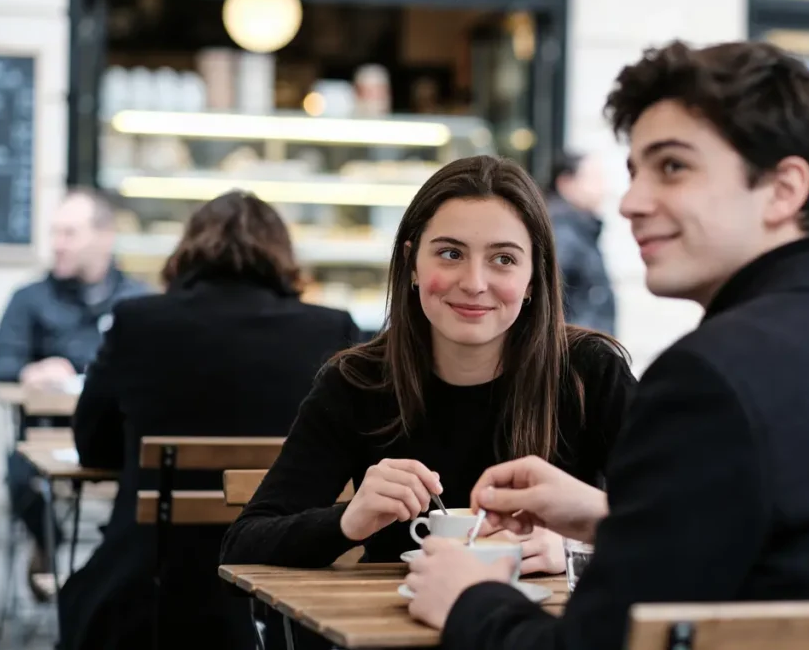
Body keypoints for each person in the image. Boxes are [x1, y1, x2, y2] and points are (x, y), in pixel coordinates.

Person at [402, 40, 809, 649]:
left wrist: (468, 600)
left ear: (784, 189)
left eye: (672, 167)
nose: (631, 202)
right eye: (634, 170)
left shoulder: (712, 374)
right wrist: (612, 519)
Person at [220, 155, 635, 649]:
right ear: (413, 263)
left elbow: (681, 524)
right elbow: (244, 541)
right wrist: (348, 521)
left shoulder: (590, 372)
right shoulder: (358, 381)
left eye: (503, 258)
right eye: (450, 253)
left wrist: (574, 543)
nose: (475, 282)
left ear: (533, 277)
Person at [57, 190, 360, 650]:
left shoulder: (137, 320)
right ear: (281, 254)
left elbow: (93, 446)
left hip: (150, 588)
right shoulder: (331, 328)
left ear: (188, 249)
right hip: (284, 588)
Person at [0, 188, 149, 600]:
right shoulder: (30, 298)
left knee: (151, 478)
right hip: (44, 439)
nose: (56, 244)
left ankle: (111, 578)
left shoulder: (139, 301)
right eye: (55, 233)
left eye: (69, 233)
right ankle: (51, 543)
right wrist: (31, 371)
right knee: (21, 474)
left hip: (116, 440)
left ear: (104, 236)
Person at [547, 152, 616, 335]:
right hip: (575, 352)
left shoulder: (580, 228)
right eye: (593, 179)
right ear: (565, 183)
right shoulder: (562, 232)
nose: (603, 188)